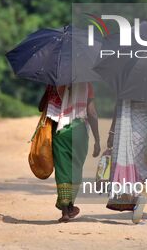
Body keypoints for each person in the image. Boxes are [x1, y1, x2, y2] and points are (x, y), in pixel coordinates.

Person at [39, 83, 101, 223]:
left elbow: (41, 107)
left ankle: (66, 211)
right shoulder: (86, 85)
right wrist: (97, 140)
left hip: (60, 131)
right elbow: (92, 113)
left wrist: (49, 89)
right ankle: (70, 204)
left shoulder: (54, 82)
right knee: (75, 169)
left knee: (62, 170)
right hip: (79, 130)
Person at [106, 99, 147, 224]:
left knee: (132, 171)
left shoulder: (127, 86)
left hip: (127, 132)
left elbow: (118, 109)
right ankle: (140, 201)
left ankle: (134, 201)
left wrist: (112, 132)